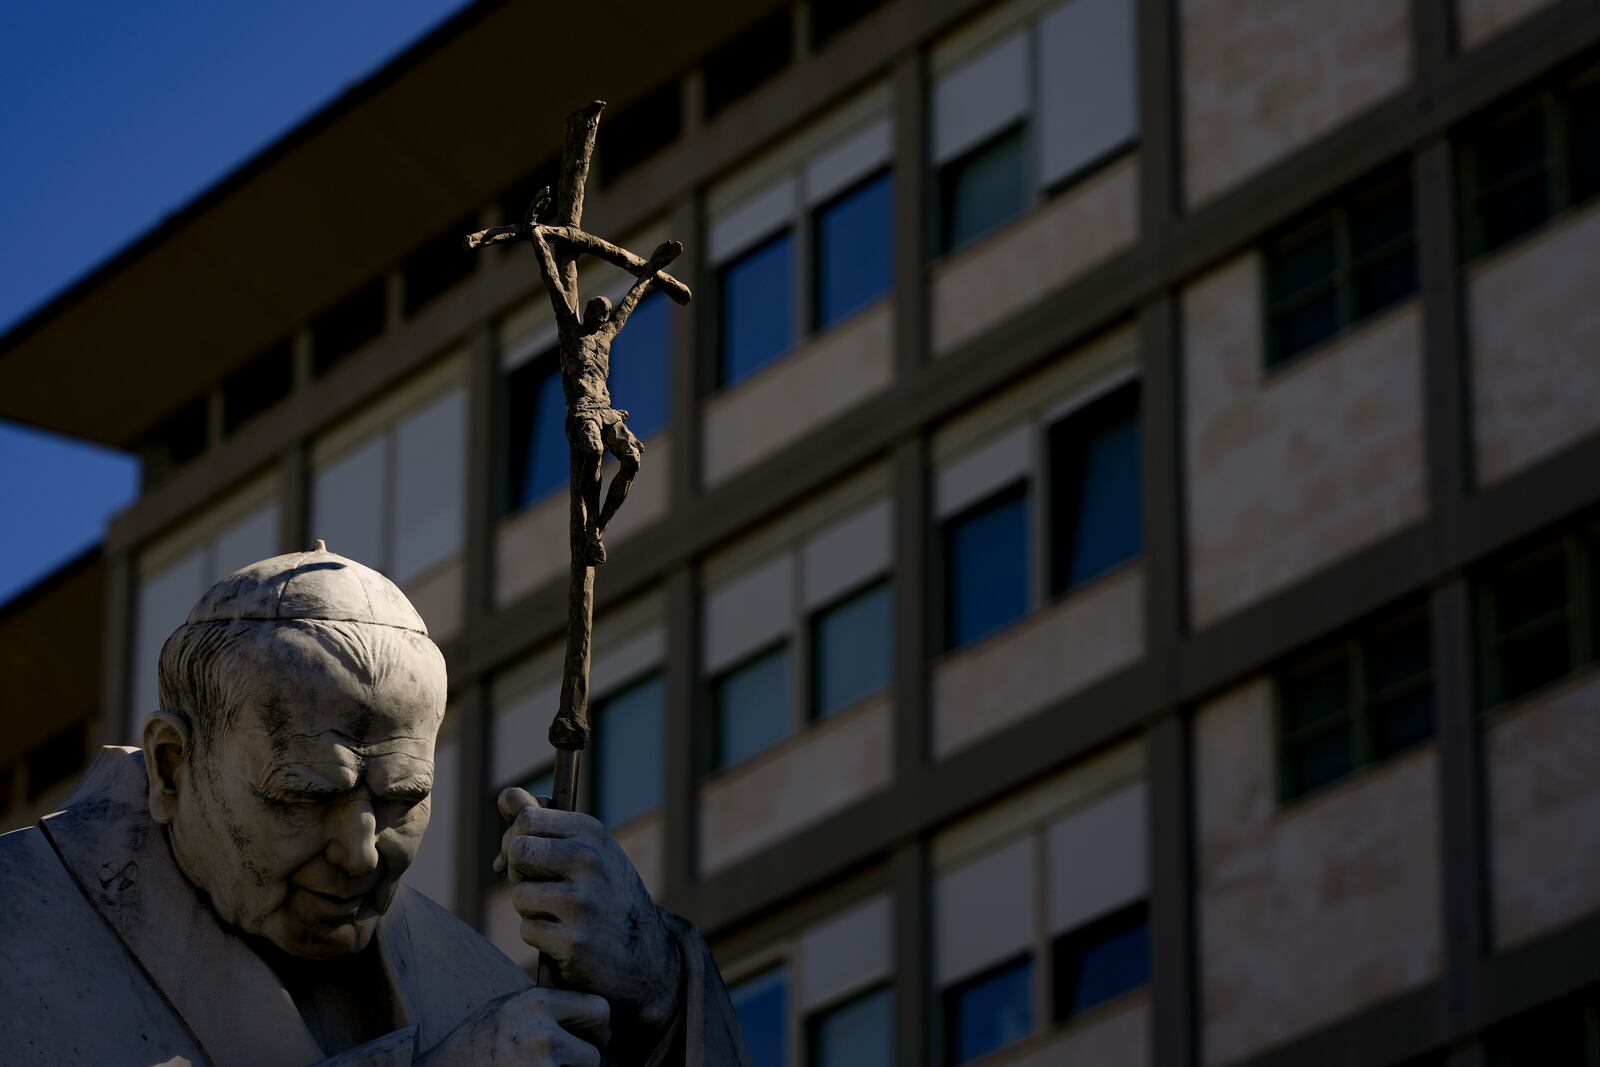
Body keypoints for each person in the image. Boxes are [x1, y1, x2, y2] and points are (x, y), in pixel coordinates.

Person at [0, 543, 749, 1065]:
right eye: (302, 795)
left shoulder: (472, 985)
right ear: (173, 765)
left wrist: (658, 991)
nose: (360, 854)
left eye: (401, 798)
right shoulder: (20, 916)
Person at [527, 222, 681, 566]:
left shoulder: (607, 336)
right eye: (596, 310)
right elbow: (554, 282)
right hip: (582, 410)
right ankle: (585, 527)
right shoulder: (572, 333)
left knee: (631, 460)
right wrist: (537, 237)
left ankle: (596, 528)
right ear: (587, 313)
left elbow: (631, 301)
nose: (601, 315)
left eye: (605, 312)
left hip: (607, 411)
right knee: (594, 452)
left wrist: (653, 268)